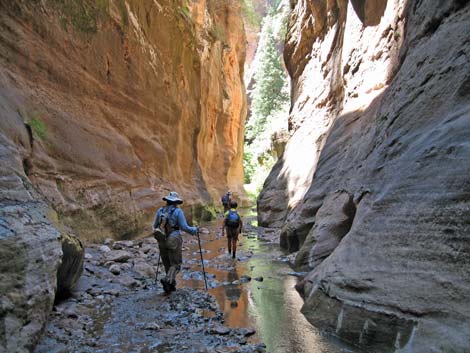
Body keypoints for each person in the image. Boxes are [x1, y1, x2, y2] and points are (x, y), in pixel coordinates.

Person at [152, 191, 198, 293]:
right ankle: (167, 280)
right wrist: (194, 230)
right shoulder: (178, 211)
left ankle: (170, 287)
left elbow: (155, 226)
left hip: (161, 240)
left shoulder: (160, 210)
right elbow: (184, 227)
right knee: (176, 264)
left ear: (167, 201)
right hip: (174, 238)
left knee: (167, 264)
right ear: (176, 202)